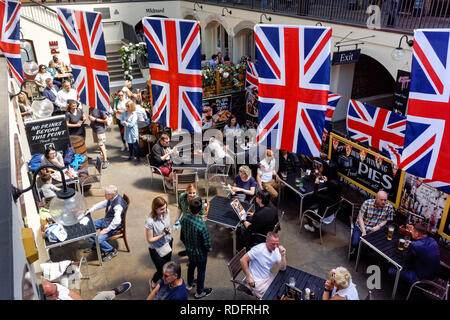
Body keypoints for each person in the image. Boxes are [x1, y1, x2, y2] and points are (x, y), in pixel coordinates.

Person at [180, 197, 213, 299]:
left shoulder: (184, 218)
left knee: (191, 266)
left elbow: (182, 235)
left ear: (189, 208)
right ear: (200, 210)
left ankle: (189, 284)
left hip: (189, 250)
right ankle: (200, 292)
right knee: (201, 271)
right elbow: (207, 243)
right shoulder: (202, 225)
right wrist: (208, 249)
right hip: (200, 254)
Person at [84, 185, 127, 262]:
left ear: (112, 195)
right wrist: (90, 210)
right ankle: (96, 244)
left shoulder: (118, 205)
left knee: (98, 238)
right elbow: (102, 204)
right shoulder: (111, 198)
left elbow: (117, 221)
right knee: (88, 227)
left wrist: (106, 230)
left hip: (114, 225)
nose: (104, 195)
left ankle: (111, 250)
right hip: (107, 219)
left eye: (106, 194)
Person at [240, 232, 287, 299]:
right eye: (273, 244)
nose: (275, 246)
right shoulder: (258, 250)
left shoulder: (276, 250)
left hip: (268, 277)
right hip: (257, 281)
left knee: (282, 289)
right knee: (270, 297)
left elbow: (282, 268)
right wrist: (248, 277)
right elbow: (243, 260)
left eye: (277, 244)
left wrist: (283, 255)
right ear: (267, 241)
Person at [145, 196, 173, 289]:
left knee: (167, 266)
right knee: (161, 270)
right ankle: (153, 281)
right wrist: (163, 234)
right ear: (155, 209)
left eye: (165, 207)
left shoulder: (167, 212)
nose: (165, 210)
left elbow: (167, 225)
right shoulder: (150, 222)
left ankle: (165, 280)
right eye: (161, 209)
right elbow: (150, 239)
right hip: (156, 249)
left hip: (168, 243)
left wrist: (169, 230)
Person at [174, 184, 206, 257]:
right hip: (185, 222)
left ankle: (192, 257)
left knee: (193, 242)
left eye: (194, 193)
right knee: (183, 238)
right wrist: (177, 218)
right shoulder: (182, 197)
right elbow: (180, 208)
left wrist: (196, 218)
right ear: (186, 192)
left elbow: (204, 216)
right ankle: (188, 251)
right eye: (190, 193)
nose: (192, 195)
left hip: (194, 224)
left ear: (196, 192)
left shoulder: (198, 200)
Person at [42, 280, 131, 300]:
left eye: (55, 287)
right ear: (47, 296)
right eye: (54, 293)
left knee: (102, 295)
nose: (58, 291)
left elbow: (73, 294)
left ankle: (114, 292)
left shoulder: (56, 288)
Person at [88, 105, 109, 169]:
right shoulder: (90, 108)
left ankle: (105, 161)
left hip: (100, 130)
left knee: (101, 145)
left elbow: (106, 120)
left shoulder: (100, 108)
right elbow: (91, 117)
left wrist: (95, 119)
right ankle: (103, 156)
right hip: (94, 129)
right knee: (99, 145)